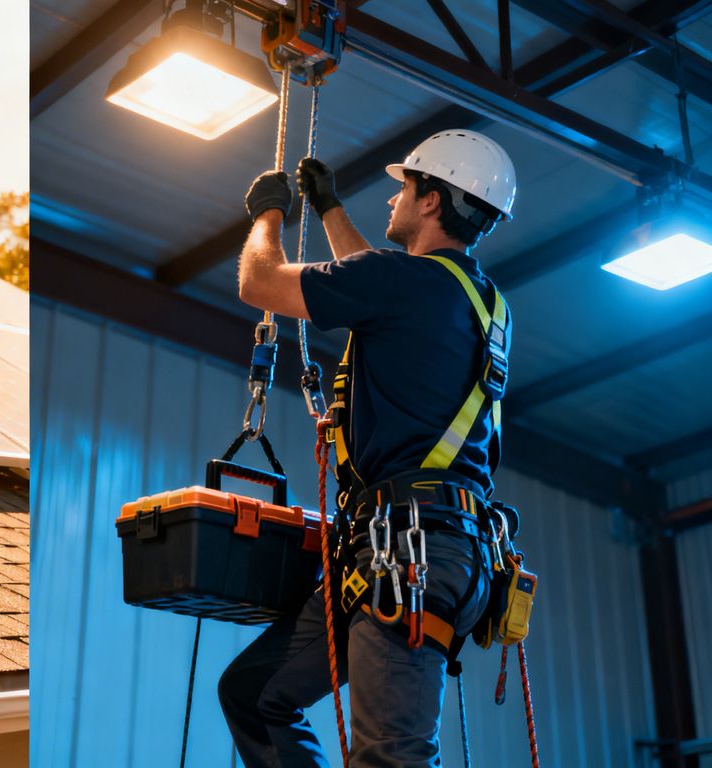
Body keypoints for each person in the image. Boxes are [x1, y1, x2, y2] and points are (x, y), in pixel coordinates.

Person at [222, 129, 516, 766]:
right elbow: (374, 296)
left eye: (403, 188)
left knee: (391, 757)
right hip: (440, 549)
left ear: (433, 200)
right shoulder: (484, 304)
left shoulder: (400, 283)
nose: (392, 202)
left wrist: (268, 215)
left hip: (407, 554)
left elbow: (260, 282)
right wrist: (330, 210)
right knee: (253, 693)